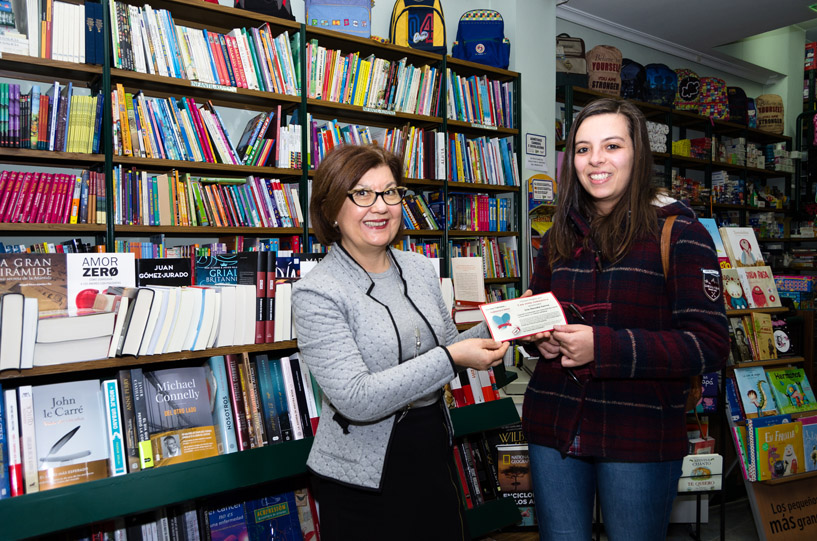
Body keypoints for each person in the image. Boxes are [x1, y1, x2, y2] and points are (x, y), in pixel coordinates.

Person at [519, 98, 730, 541]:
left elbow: (708, 344)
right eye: (582, 148)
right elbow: (538, 305)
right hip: (554, 423)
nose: (595, 159)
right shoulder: (558, 233)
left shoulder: (681, 232)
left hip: (638, 429)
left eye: (611, 145)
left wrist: (604, 347)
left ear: (637, 153)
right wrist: (535, 334)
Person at [291, 144, 509, 541]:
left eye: (390, 192)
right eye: (361, 194)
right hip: (361, 475)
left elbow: (449, 345)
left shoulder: (420, 268)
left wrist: (507, 322)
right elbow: (357, 398)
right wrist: (452, 355)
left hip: (431, 450)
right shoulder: (317, 292)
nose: (380, 206)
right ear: (330, 209)